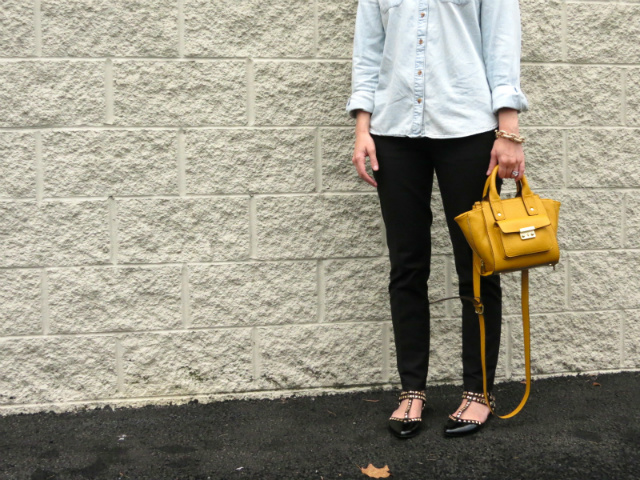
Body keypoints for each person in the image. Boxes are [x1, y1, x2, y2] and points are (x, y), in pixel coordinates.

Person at [346, 0, 529, 438]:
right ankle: (412, 390)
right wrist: (362, 129)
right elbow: (368, 51)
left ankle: (479, 391)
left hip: (467, 129)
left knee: (478, 265)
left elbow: (501, 45)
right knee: (406, 266)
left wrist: (508, 131)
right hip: (393, 133)